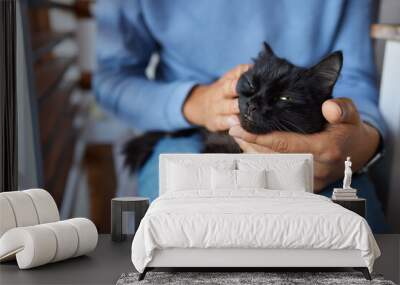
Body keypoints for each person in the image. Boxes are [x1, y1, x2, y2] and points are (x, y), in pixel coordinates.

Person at [94, 0, 388, 232]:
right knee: (185, 228)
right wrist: (190, 102)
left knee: (354, 232)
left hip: (316, 142)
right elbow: (112, 77)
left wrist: (361, 142)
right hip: (189, 131)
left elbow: (354, 79)